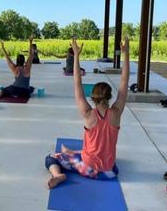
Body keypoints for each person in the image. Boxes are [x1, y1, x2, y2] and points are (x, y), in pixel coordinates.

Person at [44, 37, 130, 189]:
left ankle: (57, 175)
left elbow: (77, 82)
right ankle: (72, 152)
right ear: (109, 96)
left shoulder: (88, 113)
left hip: (90, 169)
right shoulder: (116, 113)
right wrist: (126, 54)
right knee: (92, 150)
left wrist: (76, 55)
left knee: (51, 157)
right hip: (110, 172)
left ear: (93, 97)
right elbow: (124, 82)